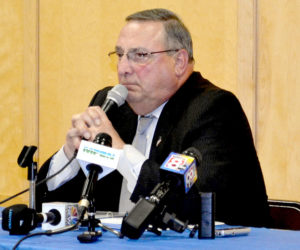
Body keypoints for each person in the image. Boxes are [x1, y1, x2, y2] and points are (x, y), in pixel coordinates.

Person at [36, 8, 270, 227]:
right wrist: (68, 157)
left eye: (139, 55)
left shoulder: (214, 109)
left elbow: (196, 205)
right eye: (120, 55)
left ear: (178, 62)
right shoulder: (112, 107)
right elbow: (53, 204)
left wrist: (120, 153)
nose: (123, 68)